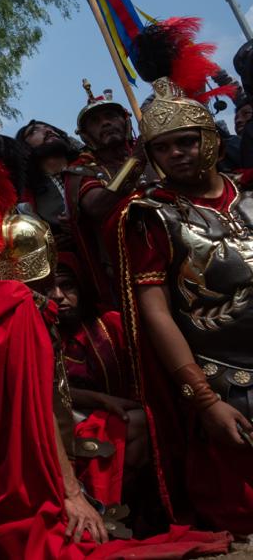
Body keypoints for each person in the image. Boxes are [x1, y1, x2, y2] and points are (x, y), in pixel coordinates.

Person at [0, 130, 228, 559]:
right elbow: (41, 399)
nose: (58, 296)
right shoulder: (18, 301)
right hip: (36, 462)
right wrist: (68, 491)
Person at [113, 74, 253, 537]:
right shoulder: (151, 216)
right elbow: (155, 313)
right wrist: (205, 401)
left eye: (186, 141)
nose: (176, 153)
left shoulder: (249, 192)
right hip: (229, 382)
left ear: (210, 139)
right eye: (163, 147)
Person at [49, 255, 146, 519]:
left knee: (142, 421)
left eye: (67, 286)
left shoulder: (109, 325)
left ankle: (119, 509)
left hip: (109, 416)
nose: (58, 296)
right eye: (49, 288)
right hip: (61, 423)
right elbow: (44, 390)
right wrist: (98, 399)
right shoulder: (39, 331)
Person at [63, 81, 142, 308]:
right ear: (86, 136)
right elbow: (98, 206)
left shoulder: (156, 153)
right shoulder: (80, 172)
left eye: (110, 116)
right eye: (95, 122)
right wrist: (136, 161)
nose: (105, 123)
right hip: (129, 272)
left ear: (125, 121)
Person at [17, 119, 82, 234]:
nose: (48, 130)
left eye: (49, 127)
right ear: (24, 147)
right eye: (34, 131)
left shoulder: (90, 164)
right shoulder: (28, 196)